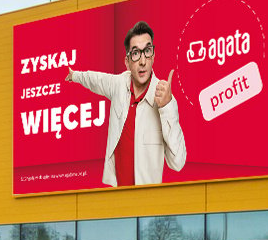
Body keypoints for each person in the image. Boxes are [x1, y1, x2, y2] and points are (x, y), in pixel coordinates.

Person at [65, 20, 186, 186]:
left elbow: (178, 162)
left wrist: (166, 107)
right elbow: (95, 79)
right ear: (127, 62)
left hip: (147, 202)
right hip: (115, 196)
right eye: (136, 53)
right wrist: (75, 75)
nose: (143, 61)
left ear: (153, 56)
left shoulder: (165, 99)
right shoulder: (118, 85)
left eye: (147, 51)